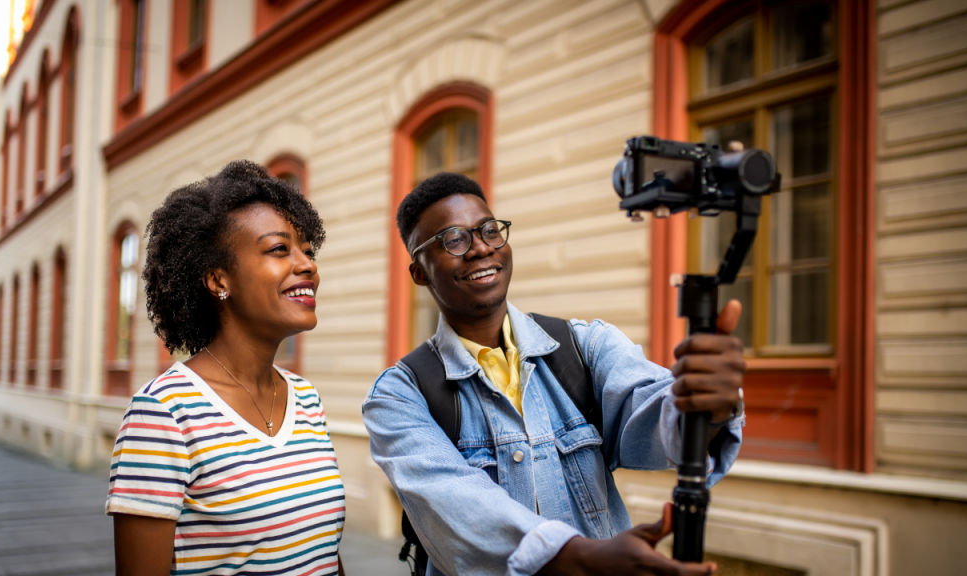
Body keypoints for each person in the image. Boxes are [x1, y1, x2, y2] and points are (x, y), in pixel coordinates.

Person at [362, 172, 746, 576]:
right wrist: (580, 559)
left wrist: (708, 404)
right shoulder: (399, 396)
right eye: (454, 239)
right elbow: (457, 507)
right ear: (419, 272)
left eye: (489, 230)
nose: (479, 249)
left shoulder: (585, 346)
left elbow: (660, 424)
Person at [106, 161, 346, 576]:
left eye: (307, 249)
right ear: (219, 281)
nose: (307, 264)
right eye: (279, 249)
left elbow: (321, 553)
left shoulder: (305, 397)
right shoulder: (163, 413)